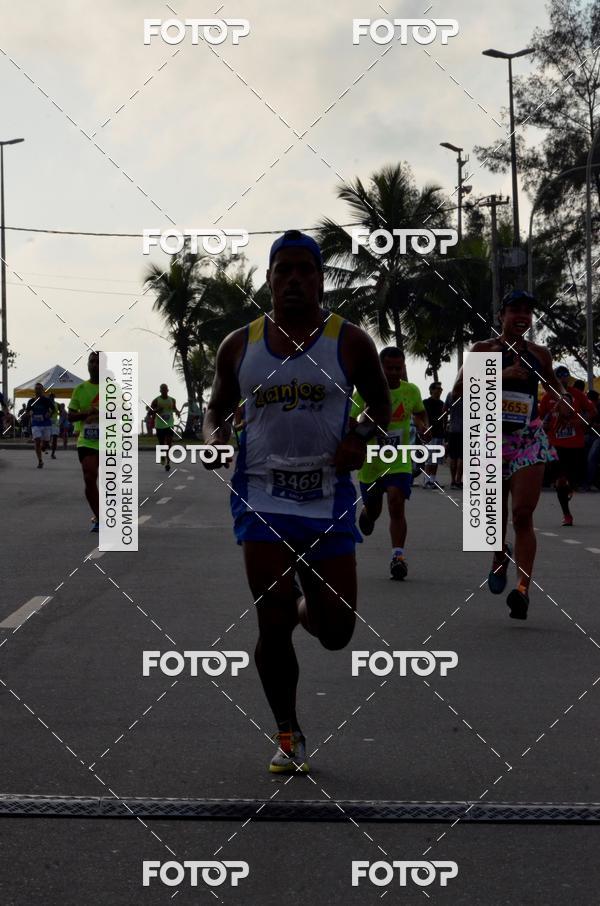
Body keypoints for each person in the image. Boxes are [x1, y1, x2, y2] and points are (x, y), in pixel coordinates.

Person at [203, 229, 390, 773]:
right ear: (268, 279)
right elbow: (216, 408)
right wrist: (214, 437)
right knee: (272, 622)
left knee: (337, 631)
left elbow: (379, 406)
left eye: (303, 270)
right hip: (261, 498)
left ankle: (304, 607)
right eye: (281, 270)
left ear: (319, 279)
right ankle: (287, 734)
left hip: (327, 499)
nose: (291, 280)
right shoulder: (240, 345)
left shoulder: (351, 342)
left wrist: (359, 435)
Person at [453, 290, 564, 621]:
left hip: (527, 439)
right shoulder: (484, 350)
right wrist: (500, 376)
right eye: (515, 310)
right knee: (492, 517)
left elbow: (555, 386)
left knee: (522, 514)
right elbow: (459, 390)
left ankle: (522, 589)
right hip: (488, 437)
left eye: (528, 312)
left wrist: (562, 404)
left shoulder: (539, 354)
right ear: (501, 314)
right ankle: (499, 555)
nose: (522, 316)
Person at [351, 346, 428, 580]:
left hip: (399, 459)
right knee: (375, 509)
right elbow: (350, 420)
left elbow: (420, 414)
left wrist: (425, 428)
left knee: (396, 502)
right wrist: (364, 423)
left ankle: (398, 557)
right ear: (379, 368)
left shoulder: (411, 391)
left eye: (398, 368)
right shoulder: (364, 392)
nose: (394, 372)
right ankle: (367, 512)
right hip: (372, 461)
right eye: (389, 368)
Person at [539, 367, 596, 525]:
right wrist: (547, 424)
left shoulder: (576, 394)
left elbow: (592, 411)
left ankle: (570, 486)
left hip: (576, 445)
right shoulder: (548, 397)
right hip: (556, 446)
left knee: (572, 479)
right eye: (559, 377)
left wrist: (581, 422)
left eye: (565, 377)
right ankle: (567, 515)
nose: (563, 380)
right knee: (560, 481)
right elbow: (541, 418)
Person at [69, 351, 101, 532]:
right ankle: (99, 517)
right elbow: (70, 416)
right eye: (92, 361)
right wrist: (85, 414)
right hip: (87, 441)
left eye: (98, 362)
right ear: (87, 365)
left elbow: (124, 413)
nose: (95, 365)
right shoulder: (80, 389)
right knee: (89, 477)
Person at [421, 382, 446, 488]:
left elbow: (444, 419)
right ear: (431, 390)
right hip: (428, 434)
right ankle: (427, 481)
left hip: (439, 433)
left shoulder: (442, 404)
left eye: (441, 389)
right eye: (437, 388)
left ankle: (433, 479)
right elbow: (420, 416)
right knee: (429, 458)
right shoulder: (425, 402)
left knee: (436, 458)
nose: (440, 390)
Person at [150, 384, 180, 471]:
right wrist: (156, 410)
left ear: (168, 390)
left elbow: (174, 408)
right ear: (160, 391)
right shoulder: (156, 400)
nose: (164, 391)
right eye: (162, 390)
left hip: (169, 424)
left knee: (169, 444)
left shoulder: (172, 400)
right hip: (159, 426)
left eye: (165, 389)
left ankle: (168, 463)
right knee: (162, 444)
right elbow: (149, 412)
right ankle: (163, 456)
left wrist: (177, 412)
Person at [26, 383, 56, 468]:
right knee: (37, 440)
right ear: (34, 390)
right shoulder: (31, 401)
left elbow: (53, 409)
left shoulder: (46, 400)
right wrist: (30, 413)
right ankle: (40, 461)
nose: (38, 390)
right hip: (36, 424)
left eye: (39, 389)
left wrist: (49, 414)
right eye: (36, 389)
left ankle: (44, 446)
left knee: (46, 443)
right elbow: (27, 411)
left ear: (42, 390)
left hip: (46, 424)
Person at [445, 390, 463, 489]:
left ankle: (453, 481)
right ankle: (458, 480)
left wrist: (444, 426)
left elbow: (445, 410)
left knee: (453, 456)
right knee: (462, 457)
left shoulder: (450, 394)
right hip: (465, 430)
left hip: (452, 429)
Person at [582, 390, 600, 491]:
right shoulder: (585, 408)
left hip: (598, 437)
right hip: (589, 435)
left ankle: (588, 482)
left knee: (592, 456)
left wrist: (596, 426)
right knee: (577, 451)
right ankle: (578, 480)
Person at [48, 394, 60, 458]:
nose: (51, 398)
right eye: (50, 397)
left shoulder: (57, 404)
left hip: (55, 423)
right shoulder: (46, 404)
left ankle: (53, 454)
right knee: (46, 438)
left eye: (52, 397)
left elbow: (62, 412)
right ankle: (46, 446)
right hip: (47, 423)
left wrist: (61, 421)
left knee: (55, 439)